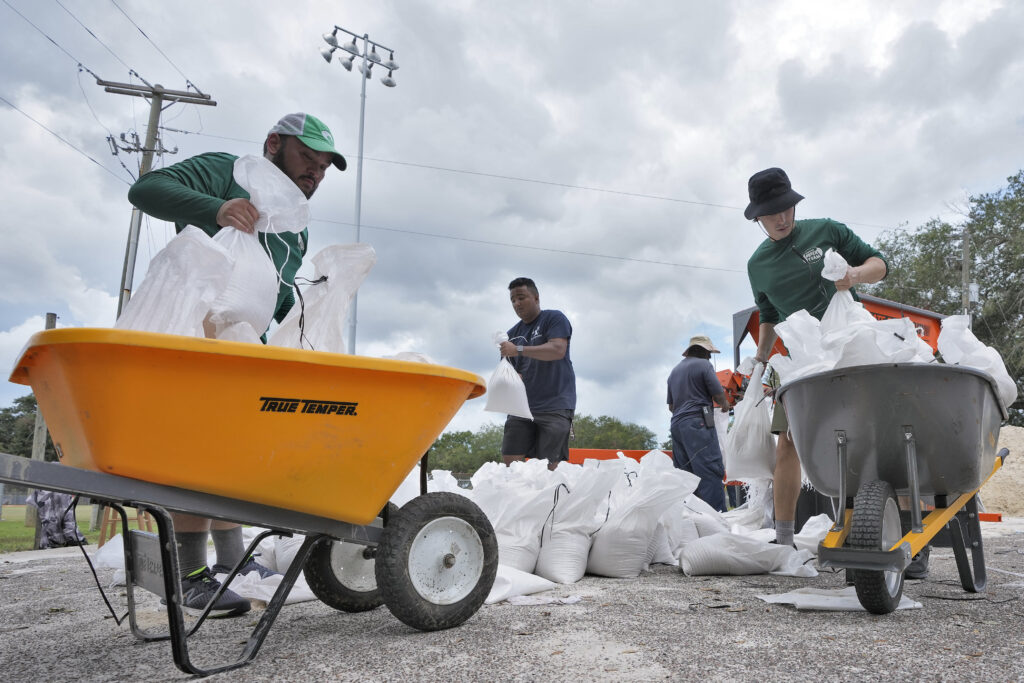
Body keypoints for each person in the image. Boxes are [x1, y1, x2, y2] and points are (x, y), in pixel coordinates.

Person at [127, 112, 346, 616]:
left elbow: (278, 296)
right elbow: (147, 191)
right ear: (274, 145)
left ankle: (233, 560)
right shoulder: (228, 172)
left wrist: (314, 314)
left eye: (321, 168)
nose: (313, 173)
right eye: (306, 159)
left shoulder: (294, 228)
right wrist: (217, 207)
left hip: (246, 346)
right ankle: (188, 572)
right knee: (196, 449)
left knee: (232, 453)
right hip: (194, 329)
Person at [744, 167, 899, 556]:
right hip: (801, 360)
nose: (781, 219)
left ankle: (902, 537)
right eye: (771, 213)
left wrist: (854, 274)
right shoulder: (757, 265)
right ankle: (783, 540)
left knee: (882, 439)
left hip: (852, 345)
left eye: (786, 209)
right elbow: (767, 314)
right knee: (788, 443)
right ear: (756, 216)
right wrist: (760, 361)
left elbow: (878, 263)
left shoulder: (826, 230)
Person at [497, 277, 576, 469]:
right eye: (513, 300)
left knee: (551, 466)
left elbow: (557, 350)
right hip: (521, 407)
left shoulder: (554, 318)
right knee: (511, 464)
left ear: (536, 298)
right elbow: (508, 373)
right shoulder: (511, 334)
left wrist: (519, 349)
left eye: (521, 297)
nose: (517, 303)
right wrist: (510, 378)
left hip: (555, 405)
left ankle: (552, 498)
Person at [666, 335, 731, 512]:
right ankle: (717, 521)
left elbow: (672, 406)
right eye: (709, 353)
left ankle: (691, 520)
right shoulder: (704, 365)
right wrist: (727, 405)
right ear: (702, 351)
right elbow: (719, 395)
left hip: (677, 427)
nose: (710, 357)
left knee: (686, 476)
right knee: (710, 471)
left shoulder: (674, 372)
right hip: (699, 424)